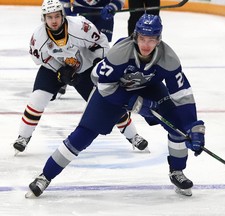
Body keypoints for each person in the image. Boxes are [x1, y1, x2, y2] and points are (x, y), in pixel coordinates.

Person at [25, 14, 205, 198]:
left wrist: (193, 126)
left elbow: (183, 95)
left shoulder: (169, 59)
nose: (146, 45)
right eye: (142, 39)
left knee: (178, 126)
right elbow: (103, 85)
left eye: (151, 40)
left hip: (149, 88)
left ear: (159, 40)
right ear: (135, 36)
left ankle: (177, 171)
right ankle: (45, 176)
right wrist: (133, 103)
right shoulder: (120, 52)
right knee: (83, 135)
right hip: (110, 90)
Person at [12, 0, 148, 156]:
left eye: (57, 16)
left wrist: (99, 63)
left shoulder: (81, 27)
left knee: (106, 102)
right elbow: (42, 60)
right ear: (44, 18)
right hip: (55, 68)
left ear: (63, 15)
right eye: (50, 17)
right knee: (37, 98)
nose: (54, 21)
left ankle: (133, 136)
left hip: (85, 69)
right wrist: (60, 71)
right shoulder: (38, 38)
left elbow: (101, 43)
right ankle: (23, 136)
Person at [58, 0, 125, 96]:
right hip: (80, 10)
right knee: (74, 45)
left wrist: (113, 6)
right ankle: (65, 76)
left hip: (103, 11)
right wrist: (65, 6)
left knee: (100, 48)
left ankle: (102, 80)